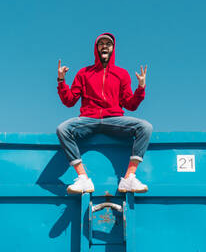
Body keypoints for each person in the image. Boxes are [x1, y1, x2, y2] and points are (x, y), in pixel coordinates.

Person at [56, 33, 153, 194]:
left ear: (113, 48)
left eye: (108, 43)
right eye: (101, 43)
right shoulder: (84, 73)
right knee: (63, 128)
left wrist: (140, 88)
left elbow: (130, 104)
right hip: (88, 119)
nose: (105, 46)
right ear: (96, 48)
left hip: (114, 119)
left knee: (145, 127)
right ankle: (83, 179)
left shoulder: (122, 74)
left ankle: (129, 178)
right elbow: (69, 100)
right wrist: (61, 81)